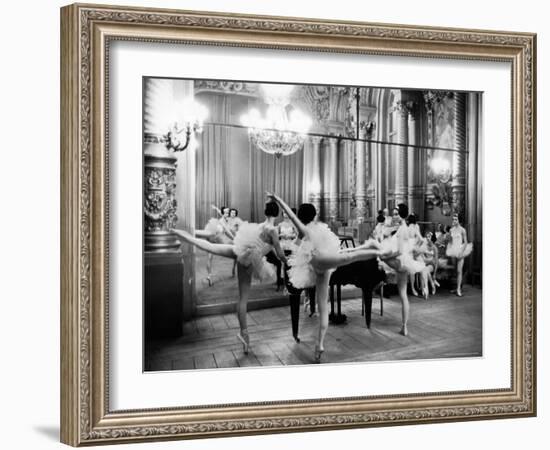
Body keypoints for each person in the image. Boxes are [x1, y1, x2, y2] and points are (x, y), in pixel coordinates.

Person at [267, 192, 398, 363]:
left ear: (301, 217)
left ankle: (320, 345)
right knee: (348, 256)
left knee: (324, 306)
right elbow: (293, 222)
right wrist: (278, 199)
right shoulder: (310, 230)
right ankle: (377, 250)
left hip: (318, 268)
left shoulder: (305, 231)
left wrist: (279, 199)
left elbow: (295, 235)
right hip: (322, 264)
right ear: (314, 215)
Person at [172, 201, 288, 355]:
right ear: (278, 214)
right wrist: (289, 261)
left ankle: (180, 233)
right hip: (248, 259)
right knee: (243, 299)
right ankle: (244, 335)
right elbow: (279, 253)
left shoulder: (260, 225)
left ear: (265, 212)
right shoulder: (273, 230)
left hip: (241, 249)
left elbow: (259, 242)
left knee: (211, 247)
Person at [379, 204, 426, 336]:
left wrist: (385, 257)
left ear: (400, 215)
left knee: (379, 256)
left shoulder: (402, 229)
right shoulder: (403, 228)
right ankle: (404, 326)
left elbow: (398, 251)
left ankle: (381, 278)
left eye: (395, 214)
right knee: (403, 295)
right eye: (393, 214)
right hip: (405, 263)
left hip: (400, 262)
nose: (394, 216)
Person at [195, 205, 234, 286]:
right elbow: (227, 232)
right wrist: (234, 238)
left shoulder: (226, 219)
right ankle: (191, 231)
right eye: (226, 213)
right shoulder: (222, 221)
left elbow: (220, 213)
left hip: (217, 240)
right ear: (224, 213)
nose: (227, 214)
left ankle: (209, 276)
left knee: (210, 257)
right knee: (197, 233)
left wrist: (216, 209)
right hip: (214, 234)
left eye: (228, 212)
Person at [446, 213, 473, 296]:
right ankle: (457, 287)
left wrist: (462, 251)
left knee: (459, 270)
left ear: (459, 220)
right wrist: (448, 248)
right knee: (455, 271)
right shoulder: (451, 230)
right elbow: (450, 241)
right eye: (453, 219)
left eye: (455, 219)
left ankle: (458, 289)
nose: (454, 220)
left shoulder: (462, 230)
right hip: (453, 250)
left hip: (461, 250)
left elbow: (465, 242)